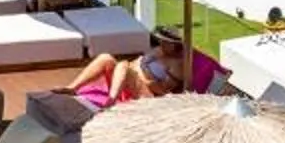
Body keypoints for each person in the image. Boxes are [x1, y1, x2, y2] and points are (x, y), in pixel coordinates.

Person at [64, 28, 226, 109]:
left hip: (147, 96)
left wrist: (140, 76)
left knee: (123, 66)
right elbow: (138, 61)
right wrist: (133, 71)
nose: (162, 43)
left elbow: (162, 90)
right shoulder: (158, 51)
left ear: (175, 44)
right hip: (127, 81)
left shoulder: (178, 65)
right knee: (106, 58)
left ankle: (110, 103)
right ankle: (71, 88)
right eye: (161, 40)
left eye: (166, 42)